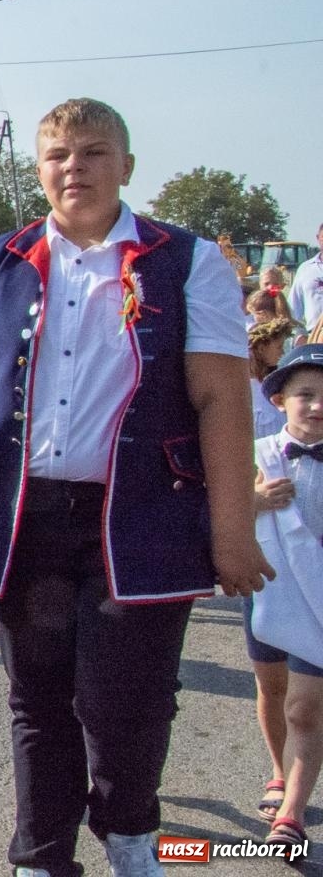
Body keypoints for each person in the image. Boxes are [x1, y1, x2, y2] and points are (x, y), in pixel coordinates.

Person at [0, 98, 272, 877]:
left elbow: (219, 396)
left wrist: (233, 526)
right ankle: (40, 859)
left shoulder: (186, 261)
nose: (73, 167)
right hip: (23, 516)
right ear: (40, 169)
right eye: (58, 155)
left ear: (126, 166)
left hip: (144, 516)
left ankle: (130, 837)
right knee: (37, 699)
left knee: (126, 701)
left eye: (93, 152)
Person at [249, 343, 323, 851]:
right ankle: (280, 770)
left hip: (319, 598)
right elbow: (220, 515)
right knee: (273, 692)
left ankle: (292, 813)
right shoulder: (256, 455)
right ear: (279, 401)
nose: (318, 406)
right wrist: (252, 500)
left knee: (303, 708)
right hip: (265, 590)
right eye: (306, 395)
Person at [250, 318, 290, 440]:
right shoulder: (244, 386)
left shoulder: (281, 381)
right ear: (262, 349)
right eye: (279, 347)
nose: (283, 352)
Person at [285, 223, 323, 335]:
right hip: (314, 335)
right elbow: (294, 307)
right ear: (318, 238)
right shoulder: (305, 269)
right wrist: (298, 334)